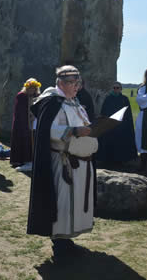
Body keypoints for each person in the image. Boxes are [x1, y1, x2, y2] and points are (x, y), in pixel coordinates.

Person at [26, 65, 97, 259]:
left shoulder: (74, 102)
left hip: (80, 162)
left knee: (75, 202)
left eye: (78, 83)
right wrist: (74, 131)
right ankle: (59, 245)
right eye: (73, 83)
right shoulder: (52, 102)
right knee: (62, 202)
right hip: (63, 162)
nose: (77, 87)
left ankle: (68, 240)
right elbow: (49, 131)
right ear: (61, 83)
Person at [95, 82, 137, 164]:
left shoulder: (124, 99)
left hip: (121, 125)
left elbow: (128, 114)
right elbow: (103, 112)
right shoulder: (108, 99)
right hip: (110, 125)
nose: (116, 89)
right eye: (114, 88)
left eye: (117, 88)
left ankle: (120, 161)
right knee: (109, 143)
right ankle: (108, 161)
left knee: (120, 144)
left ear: (121, 89)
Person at [10, 78, 41, 171]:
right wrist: (27, 117)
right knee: (21, 139)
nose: (32, 89)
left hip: (33, 122)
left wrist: (34, 116)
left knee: (31, 140)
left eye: (34, 88)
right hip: (21, 122)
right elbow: (19, 110)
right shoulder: (21, 96)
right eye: (30, 87)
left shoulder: (37, 96)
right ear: (26, 88)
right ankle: (19, 160)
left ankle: (30, 159)